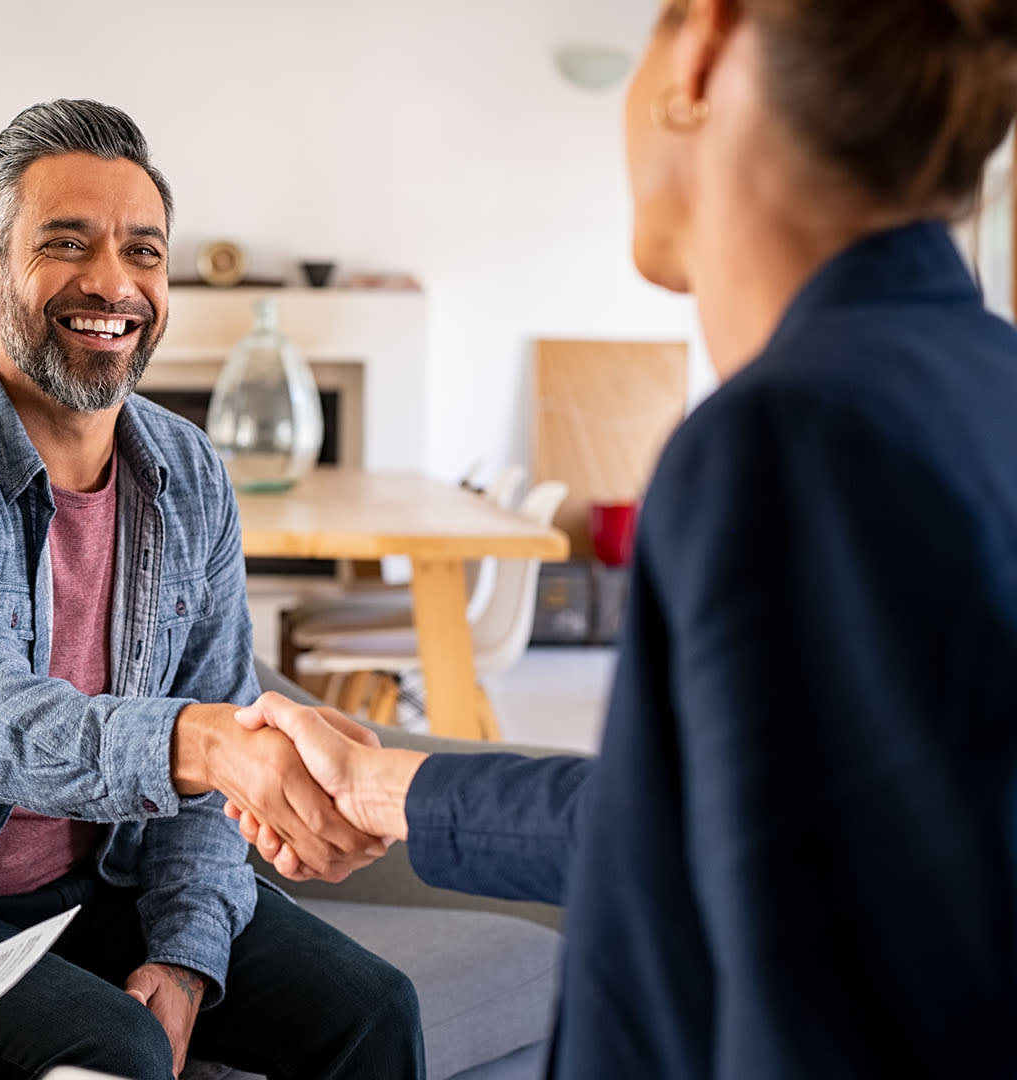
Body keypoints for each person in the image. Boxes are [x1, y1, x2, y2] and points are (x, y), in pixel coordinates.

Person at [229, 0, 1017, 1076]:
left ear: (702, 43)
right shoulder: (983, 385)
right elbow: (709, 829)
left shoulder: (792, 438)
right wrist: (388, 789)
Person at [0, 99, 422, 1080]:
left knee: (374, 1011)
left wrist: (185, 951)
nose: (113, 283)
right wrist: (202, 740)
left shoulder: (186, 471)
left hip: (98, 881)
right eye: (67, 244)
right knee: (113, 1046)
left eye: (145, 252)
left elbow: (217, 735)